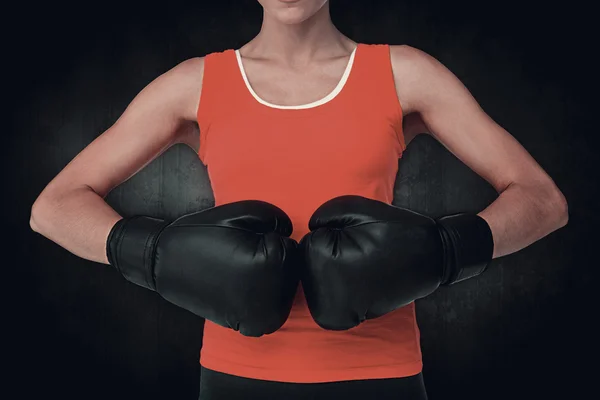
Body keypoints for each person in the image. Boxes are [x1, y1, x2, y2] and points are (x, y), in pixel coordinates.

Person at [29, 0, 569, 398]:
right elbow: (54, 207)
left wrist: (447, 251)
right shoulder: (194, 84)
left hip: (381, 375)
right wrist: (154, 256)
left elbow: (543, 200)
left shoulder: (403, 73)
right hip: (235, 377)